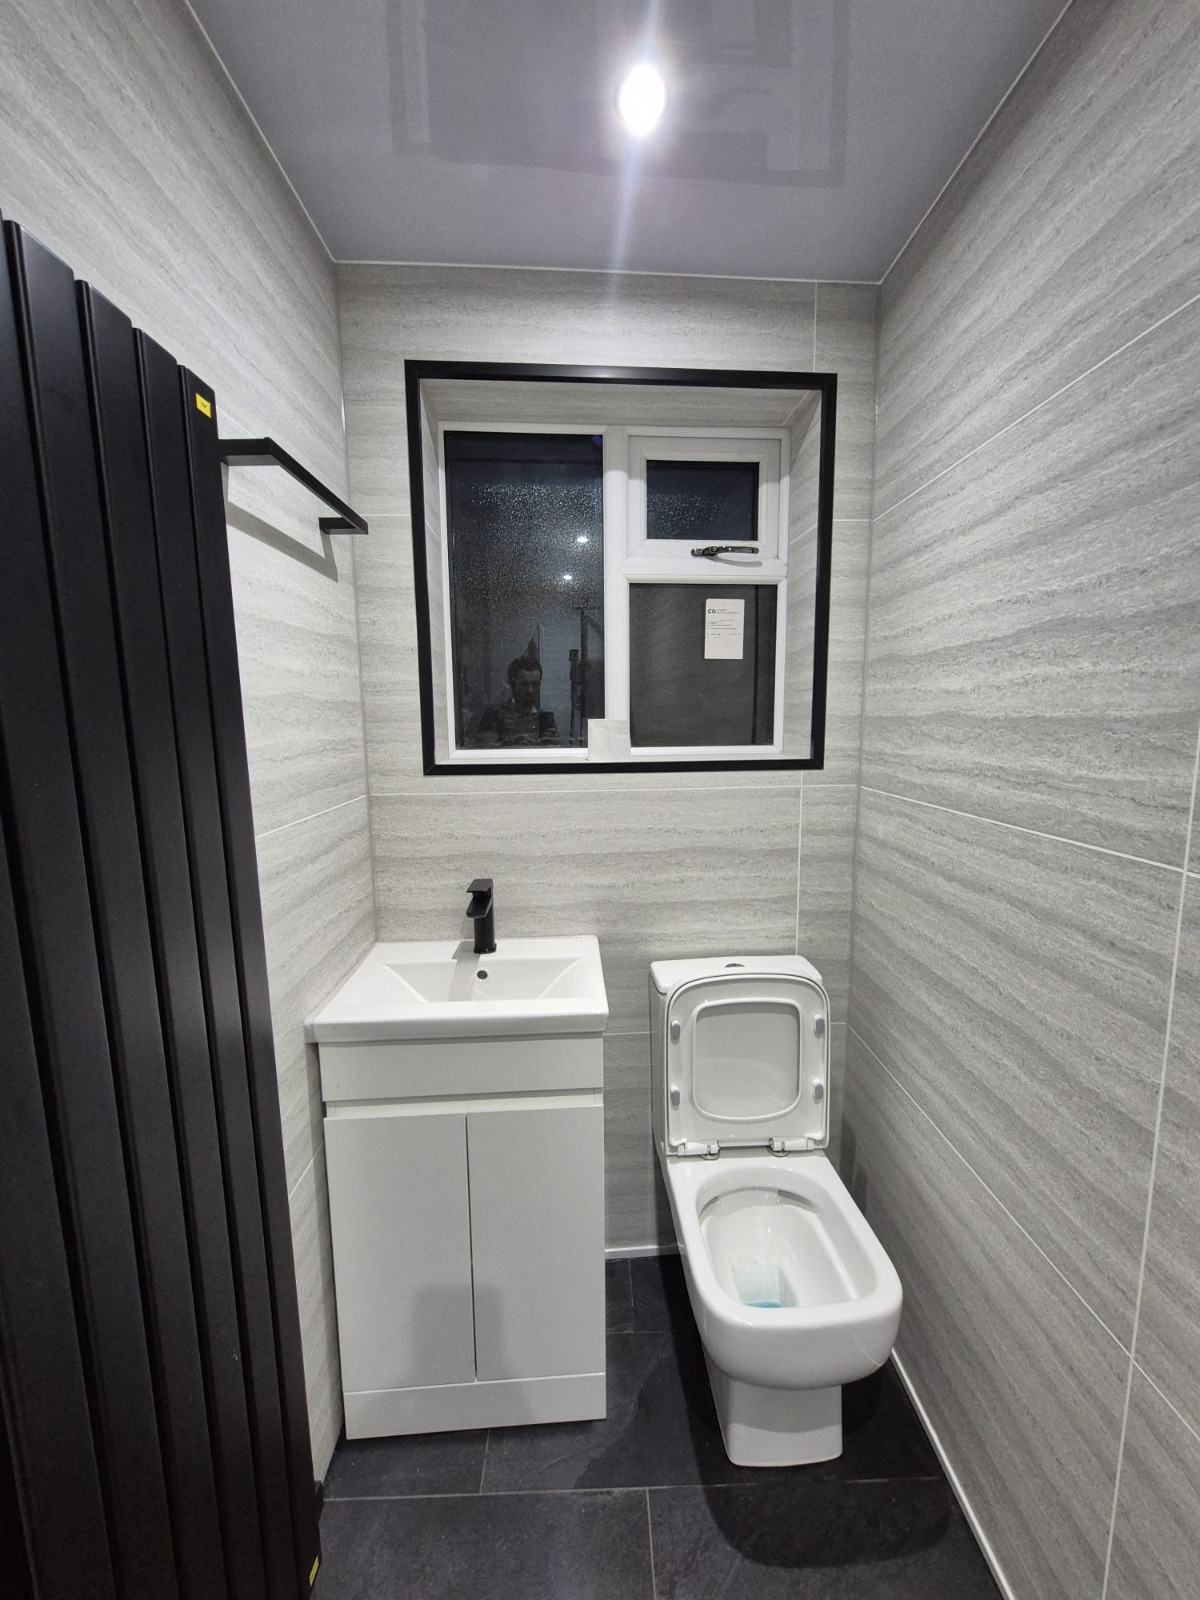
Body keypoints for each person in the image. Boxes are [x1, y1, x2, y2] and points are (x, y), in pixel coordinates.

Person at [474, 640, 559, 748]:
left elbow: (554, 754)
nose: (530, 690)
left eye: (535, 684)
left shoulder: (544, 720)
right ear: (511, 683)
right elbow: (484, 754)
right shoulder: (493, 715)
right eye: (524, 684)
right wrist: (514, 743)